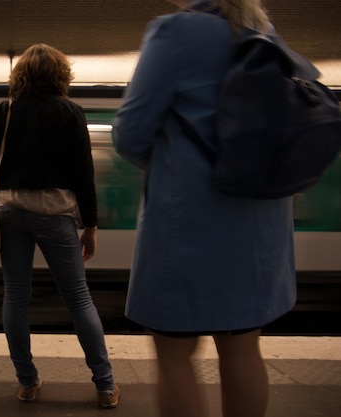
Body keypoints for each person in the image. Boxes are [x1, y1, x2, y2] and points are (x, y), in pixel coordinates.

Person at [111, 1, 296, 417]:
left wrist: (179, 167)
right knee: (243, 348)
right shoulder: (263, 29)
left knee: (174, 354)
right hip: (259, 225)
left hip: (190, 221)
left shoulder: (174, 31)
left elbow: (129, 134)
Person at [0, 43, 120, 408]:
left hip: (9, 211)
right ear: (61, 75)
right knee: (78, 298)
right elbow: (84, 174)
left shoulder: (3, 111)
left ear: (19, 75)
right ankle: (104, 386)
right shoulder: (70, 112)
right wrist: (91, 225)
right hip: (56, 214)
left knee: (16, 296)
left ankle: (27, 382)